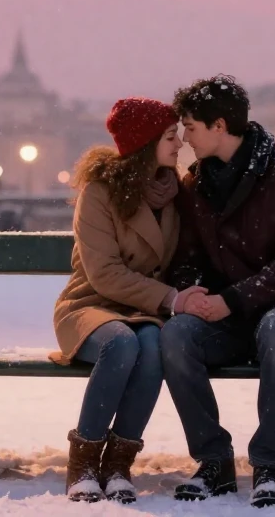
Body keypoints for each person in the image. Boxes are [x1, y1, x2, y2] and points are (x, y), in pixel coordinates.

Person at [161, 75, 275, 508]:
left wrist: (231, 299)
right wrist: (192, 293)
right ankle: (213, 461)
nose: (185, 137)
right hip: (225, 319)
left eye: (191, 127)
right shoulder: (195, 184)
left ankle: (269, 466)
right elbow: (187, 257)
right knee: (176, 334)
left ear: (219, 125)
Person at [52, 97, 205, 503]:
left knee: (153, 345)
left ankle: (119, 463)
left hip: (143, 311)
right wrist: (173, 298)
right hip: (89, 305)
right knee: (121, 343)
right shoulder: (99, 193)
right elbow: (104, 274)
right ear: (144, 142)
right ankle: (83, 461)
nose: (179, 146)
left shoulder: (174, 191)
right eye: (170, 137)